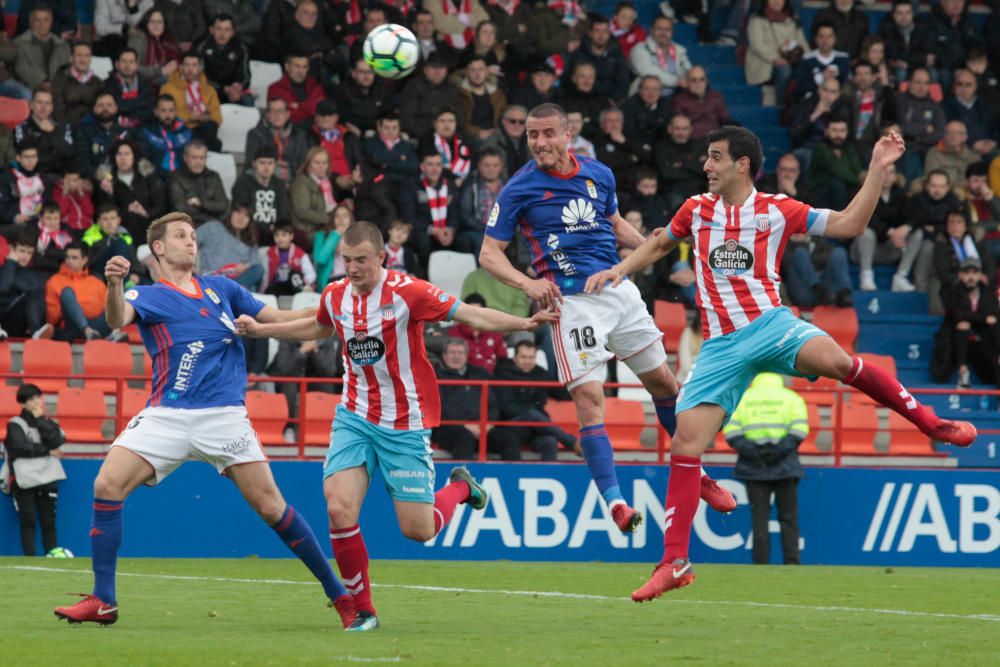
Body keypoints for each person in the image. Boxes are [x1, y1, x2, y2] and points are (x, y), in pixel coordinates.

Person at [584, 125, 978, 602]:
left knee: (840, 361)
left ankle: (931, 423)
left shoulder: (776, 209)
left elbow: (850, 225)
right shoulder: (696, 210)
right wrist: (619, 270)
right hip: (722, 346)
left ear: (741, 164)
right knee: (685, 444)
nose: (705, 166)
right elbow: (660, 243)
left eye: (714, 158)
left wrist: (875, 169)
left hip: (770, 324)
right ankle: (675, 562)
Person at [234, 220, 558, 631]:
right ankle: (363, 611)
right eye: (346, 260)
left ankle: (461, 487)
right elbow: (318, 323)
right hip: (354, 417)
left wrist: (524, 325)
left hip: (404, 422)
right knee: (338, 508)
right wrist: (265, 328)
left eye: (361, 261)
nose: (352, 269)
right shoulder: (336, 294)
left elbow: (469, 313)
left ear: (381, 257)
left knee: (418, 530)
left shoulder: (410, 293)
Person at [53, 211, 356, 628]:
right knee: (106, 484)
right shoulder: (149, 295)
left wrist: (326, 316)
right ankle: (104, 599)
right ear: (158, 248)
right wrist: (114, 283)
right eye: (181, 236)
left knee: (271, 506)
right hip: (167, 416)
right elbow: (115, 317)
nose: (191, 242)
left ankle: (340, 596)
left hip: (223, 417)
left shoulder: (221, 289)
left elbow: (277, 319)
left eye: (193, 236)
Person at [479, 103, 736, 535]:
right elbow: (488, 254)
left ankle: (700, 474)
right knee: (590, 399)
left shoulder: (598, 173)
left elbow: (613, 222)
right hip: (572, 301)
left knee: (665, 385)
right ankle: (615, 502)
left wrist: (649, 246)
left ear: (568, 133)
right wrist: (528, 285)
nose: (539, 143)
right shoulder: (518, 189)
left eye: (547, 134)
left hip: (617, 290)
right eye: (532, 135)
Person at [724, 373, 806, 565]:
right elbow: (799, 430)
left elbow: (732, 433)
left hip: (753, 466)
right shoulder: (792, 398)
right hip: (786, 465)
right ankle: (792, 563)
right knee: (789, 518)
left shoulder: (743, 398)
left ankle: (760, 564)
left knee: (759, 518)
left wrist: (757, 453)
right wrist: (776, 451)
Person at [490, 339, 576, 461]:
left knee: (550, 441)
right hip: (510, 428)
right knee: (532, 414)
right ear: (515, 357)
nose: (528, 361)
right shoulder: (502, 373)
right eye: (524, 357)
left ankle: (547, 475)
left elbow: (561, 394)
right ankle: (571, 442)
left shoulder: (540, 373)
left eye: (531, 357)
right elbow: (507, 408)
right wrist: (532, 416)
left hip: (535, 429)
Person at [6, 384, 66, 556]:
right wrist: (46, 451)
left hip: (48, 478)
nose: (36, 402)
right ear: (23, 403)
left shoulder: (48, 422)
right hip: (24, 480)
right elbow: (19, 447)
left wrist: (40, 420)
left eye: (38, 397)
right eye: (31, 399)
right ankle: (30, 558)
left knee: (49, 522)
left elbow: (57, 441)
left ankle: (52, 555)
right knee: (28, 520)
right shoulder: (15, 424)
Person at [931, 257, 1000, 387]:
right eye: (967, 273)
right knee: (963, 325)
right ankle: (962, 370)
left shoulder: (988, 293)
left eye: (974, 273)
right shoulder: (953, 291)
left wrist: (978, 319)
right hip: (955, 340)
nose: (971, 277)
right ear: (960, 275)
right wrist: (984, 318)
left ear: (980, 275)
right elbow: (958, 315)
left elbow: (994, 315)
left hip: (983, 340)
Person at [434, 336, 499, 460]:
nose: (456, 356)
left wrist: (489, 423)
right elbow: (440, 408)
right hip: (448, 429)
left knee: (508, 439)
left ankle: (510, 477)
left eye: (460, 353)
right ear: (444, 355)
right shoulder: (435, 375)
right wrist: (464, 425)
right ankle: (462, 478)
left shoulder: (480, 373)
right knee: (465, 437)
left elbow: (493, 404)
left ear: (466, 355)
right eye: (452, 352)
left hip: (482, 428)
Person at [95, 138, 167, 245]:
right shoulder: (107, 181)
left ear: (134, 156)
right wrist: (109, 194)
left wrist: (145, 212)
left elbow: (161, 206)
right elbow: (103, 211)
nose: (123, 158)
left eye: (127, 154)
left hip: (148, 228)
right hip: (121, 230)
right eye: (119, 154)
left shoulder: (147, 178)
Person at [45, 242, 110, 340]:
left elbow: (108, 310)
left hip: (97, 325)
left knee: (119, 299)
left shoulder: (97, 282)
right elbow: (52, 318)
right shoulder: (54, 281)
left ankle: (105, 333)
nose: (69, 261)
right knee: (67, 292)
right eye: (67, 257)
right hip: (72, 326)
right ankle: (87, 331)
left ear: (84, 260)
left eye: (74, 258)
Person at [160, 51, 222, 150]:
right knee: (214, 143)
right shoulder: (168, 88)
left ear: (200, 68)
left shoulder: (209, 89)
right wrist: (189, 116)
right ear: (180, 67)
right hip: (181, 128)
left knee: (210, 126)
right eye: (187, 65)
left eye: (194, 65)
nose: (190, 69)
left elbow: (217, 116)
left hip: (203, 128)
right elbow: (165, 113)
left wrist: (206, 117)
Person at [196, 204, 264, 291]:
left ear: (249, 221)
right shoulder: (213, 227)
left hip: (236, 280)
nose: (241, 218)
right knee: (249, 289)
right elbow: (190, 240)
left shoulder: (250, 243)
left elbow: (254, 266)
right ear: (231, 213)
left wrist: (245, 267)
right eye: (238, 212)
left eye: (246, 216)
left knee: (258, 272)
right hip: (212, 279)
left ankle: (233, 293)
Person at [0, 229, 52, 340]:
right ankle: (36, 331)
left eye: (29, 253)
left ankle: (37, 331)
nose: (25, 256)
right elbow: (3, 287)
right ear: (12, 250)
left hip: (19, 325)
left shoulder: (34, 276)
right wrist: (10, 262)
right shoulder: (4, 269)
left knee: (35, 291)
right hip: (3, 320)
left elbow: (40, 306)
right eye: (22, 251)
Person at [232, 146, 290, 244]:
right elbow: (243, 211)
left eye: (270, 163)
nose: (266, 167)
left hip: (274, 232)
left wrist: (276, 227)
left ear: (275, 164)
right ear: (254, 164)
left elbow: (283, 212)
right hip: (251, 229)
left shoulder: (279, 184)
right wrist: (265, 227)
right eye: (262, 163)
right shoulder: (243, 183)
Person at [244, 97, 310, 184]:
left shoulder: (298, 135)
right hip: (265, 180)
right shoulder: (255, 134)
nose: (277, 115)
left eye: (280, 111)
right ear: (267, 115)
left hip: (293, 181)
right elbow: (252, 163)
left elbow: (303, 162)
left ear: (287, 114)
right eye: (273, 111)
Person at [455, 147, 506, 256]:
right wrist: (487, 229)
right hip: (478, 230)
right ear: (479, 166)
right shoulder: (470, 185)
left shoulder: (508, 187)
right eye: (486, 165)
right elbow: (465, 215)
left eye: (495, 165)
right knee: (479, 241)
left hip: (504, 232)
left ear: (501, 166)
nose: (491, 169)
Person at [168, 141, 230, 225]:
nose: (198, 162)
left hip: (214, 226)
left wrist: (201, 203)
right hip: (187, 228)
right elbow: (181, 211)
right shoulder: (176, 178)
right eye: (194, 157)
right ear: (185, 158)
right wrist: (210, 213)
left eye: (202, 158)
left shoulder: (213, 176)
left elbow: (223, 206)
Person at [629, 16, 690, 99]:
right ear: (652, 30)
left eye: (667, 29)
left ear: (672, 32)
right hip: (645, 97)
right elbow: (648, 72)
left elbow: (688, 70)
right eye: (659, 29)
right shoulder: (639, 48)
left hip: (675, 97)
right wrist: (677, 81)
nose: (663, 33)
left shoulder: (680, 50)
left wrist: (688, 78)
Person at [195, 13, 251, 104]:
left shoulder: (241, 48)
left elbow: (245, 76)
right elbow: (200, 76)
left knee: (247, 100)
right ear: (211, 30)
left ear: (232, 32)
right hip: (210, 90)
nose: (222, 34)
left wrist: (238, 87)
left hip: (233, 92)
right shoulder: (201, 47)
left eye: (227, 29)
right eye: (219, 29)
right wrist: (223, 89)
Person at [74, 93, 129, 180]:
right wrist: (98, 176)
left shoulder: (125, 132)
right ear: (94, 109)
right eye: (100, 105)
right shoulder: (84, 131)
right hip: (95, 180)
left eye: (109, 105)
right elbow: (83, 161)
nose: (105, 108)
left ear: (116, 108)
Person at [13, 7, 71, 91]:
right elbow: (22, 69)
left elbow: (67, 69)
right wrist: (43, 83)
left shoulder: (63, 45)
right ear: (31, 22)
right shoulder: (19, 43)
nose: (42, 24)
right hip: (30, 88)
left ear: (51, 22)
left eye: (46, 20)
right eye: (37, 20)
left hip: (58, 88)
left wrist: (56, 86)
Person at [668, 67, 733, 142]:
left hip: (715, 141)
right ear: (687, 82)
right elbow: (680, 126)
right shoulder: (679, 100)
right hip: (691, 143)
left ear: (706, 81)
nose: (698, 83)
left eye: (702, 79)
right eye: (694, 80)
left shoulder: (716, 97)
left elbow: (726, 120)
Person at [267, 53, 327, 129]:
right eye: (297, 66)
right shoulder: (275, 89)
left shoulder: (316, 86)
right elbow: (286, 115)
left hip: (316, 132)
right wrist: (309, 107)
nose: (300, 71)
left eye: (304, 67)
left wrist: (299, 105)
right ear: (287, 67)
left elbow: (322, 111)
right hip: (288, 133)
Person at [138, 95, 193, 176]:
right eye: (163, 111)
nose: (168, 115)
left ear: (175, 112)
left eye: (171, 110)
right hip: (158, 177)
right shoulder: (147, 131)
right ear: (156, 112)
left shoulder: (185, 131)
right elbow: (142, 156)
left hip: (181, 176)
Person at [104, 47, 157, 129]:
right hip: (115, 128)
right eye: (124, 61)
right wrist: (138, 103)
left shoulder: (146, 84)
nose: (127, 65)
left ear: (136, 65)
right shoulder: (107, 84)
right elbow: (112, 108)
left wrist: (125, 105)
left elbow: (150, 108)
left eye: (131, 62)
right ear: (117, 64)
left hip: (143, 128)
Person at [52, 42, 104, 126]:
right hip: (68, 126)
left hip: (92, 126)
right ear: (71, 58)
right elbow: (58, 110)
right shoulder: (59, 80)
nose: (83, 59)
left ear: (90, 59)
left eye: (87, 56)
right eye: (79, 55)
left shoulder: (98, 82)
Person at [262, 221, 316, 295]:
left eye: (284, 235)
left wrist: (303, 281)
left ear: (291, 236)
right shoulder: (269, 254)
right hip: (277, 286)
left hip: (294, 286)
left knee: (295, 274)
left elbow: (311, 274)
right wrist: (262, 291)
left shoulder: (300, 254)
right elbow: (265, 275)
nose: (280, 238)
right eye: (276, 235)